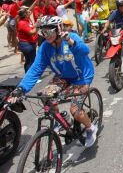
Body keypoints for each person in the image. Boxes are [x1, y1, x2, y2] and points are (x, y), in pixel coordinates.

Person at [9, 16, 98, 147]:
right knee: (44, 95)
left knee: (75, 110)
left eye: (49, 32)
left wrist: (71, 41)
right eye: (43, 32)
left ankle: (90, 127)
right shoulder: (45, 47)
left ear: (58, 29)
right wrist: (21, 88)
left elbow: (85, 51)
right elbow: (36, 68)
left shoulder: (71, 38)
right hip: (62, 77)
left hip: (81, 77)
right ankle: (61, 119)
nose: (46, 36)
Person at [16, 6, 38, 73]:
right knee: (31, 62)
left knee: (29, 61)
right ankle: (29, 77)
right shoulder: (22, 23)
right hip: (27, 44)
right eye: (27, 12)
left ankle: (28, 76)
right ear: (25, 14)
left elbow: (32, 27)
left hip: (30, 43)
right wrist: (38, 26)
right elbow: (32, 32)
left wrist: (38, 22)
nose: (29, 12)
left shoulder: (26, 20)